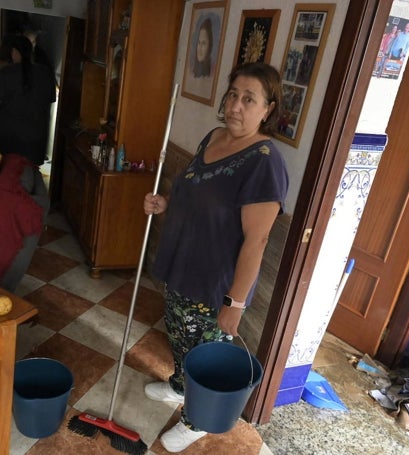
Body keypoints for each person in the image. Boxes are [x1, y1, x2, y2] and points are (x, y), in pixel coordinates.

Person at [143, 62, 288, 453]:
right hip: (180, 268)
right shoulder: (213, 137)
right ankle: (178, 387)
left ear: (267, 109)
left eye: (248, 99)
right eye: (232, 94)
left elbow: (255, 242)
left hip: (213, 285)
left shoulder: (264, 162)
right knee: (178, 339)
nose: (236, 105)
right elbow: (196, 193)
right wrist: (165, 203)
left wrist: (235, 304)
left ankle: (196, 421)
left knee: (203, 356)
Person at [0, 34, 56, 166]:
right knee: (27, 177)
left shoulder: (7, 72)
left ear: (14, 51)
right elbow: (49, 100)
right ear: (31, 52)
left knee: (6, 177)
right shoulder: (46, 73)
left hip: (8, 139)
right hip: (35, 140)